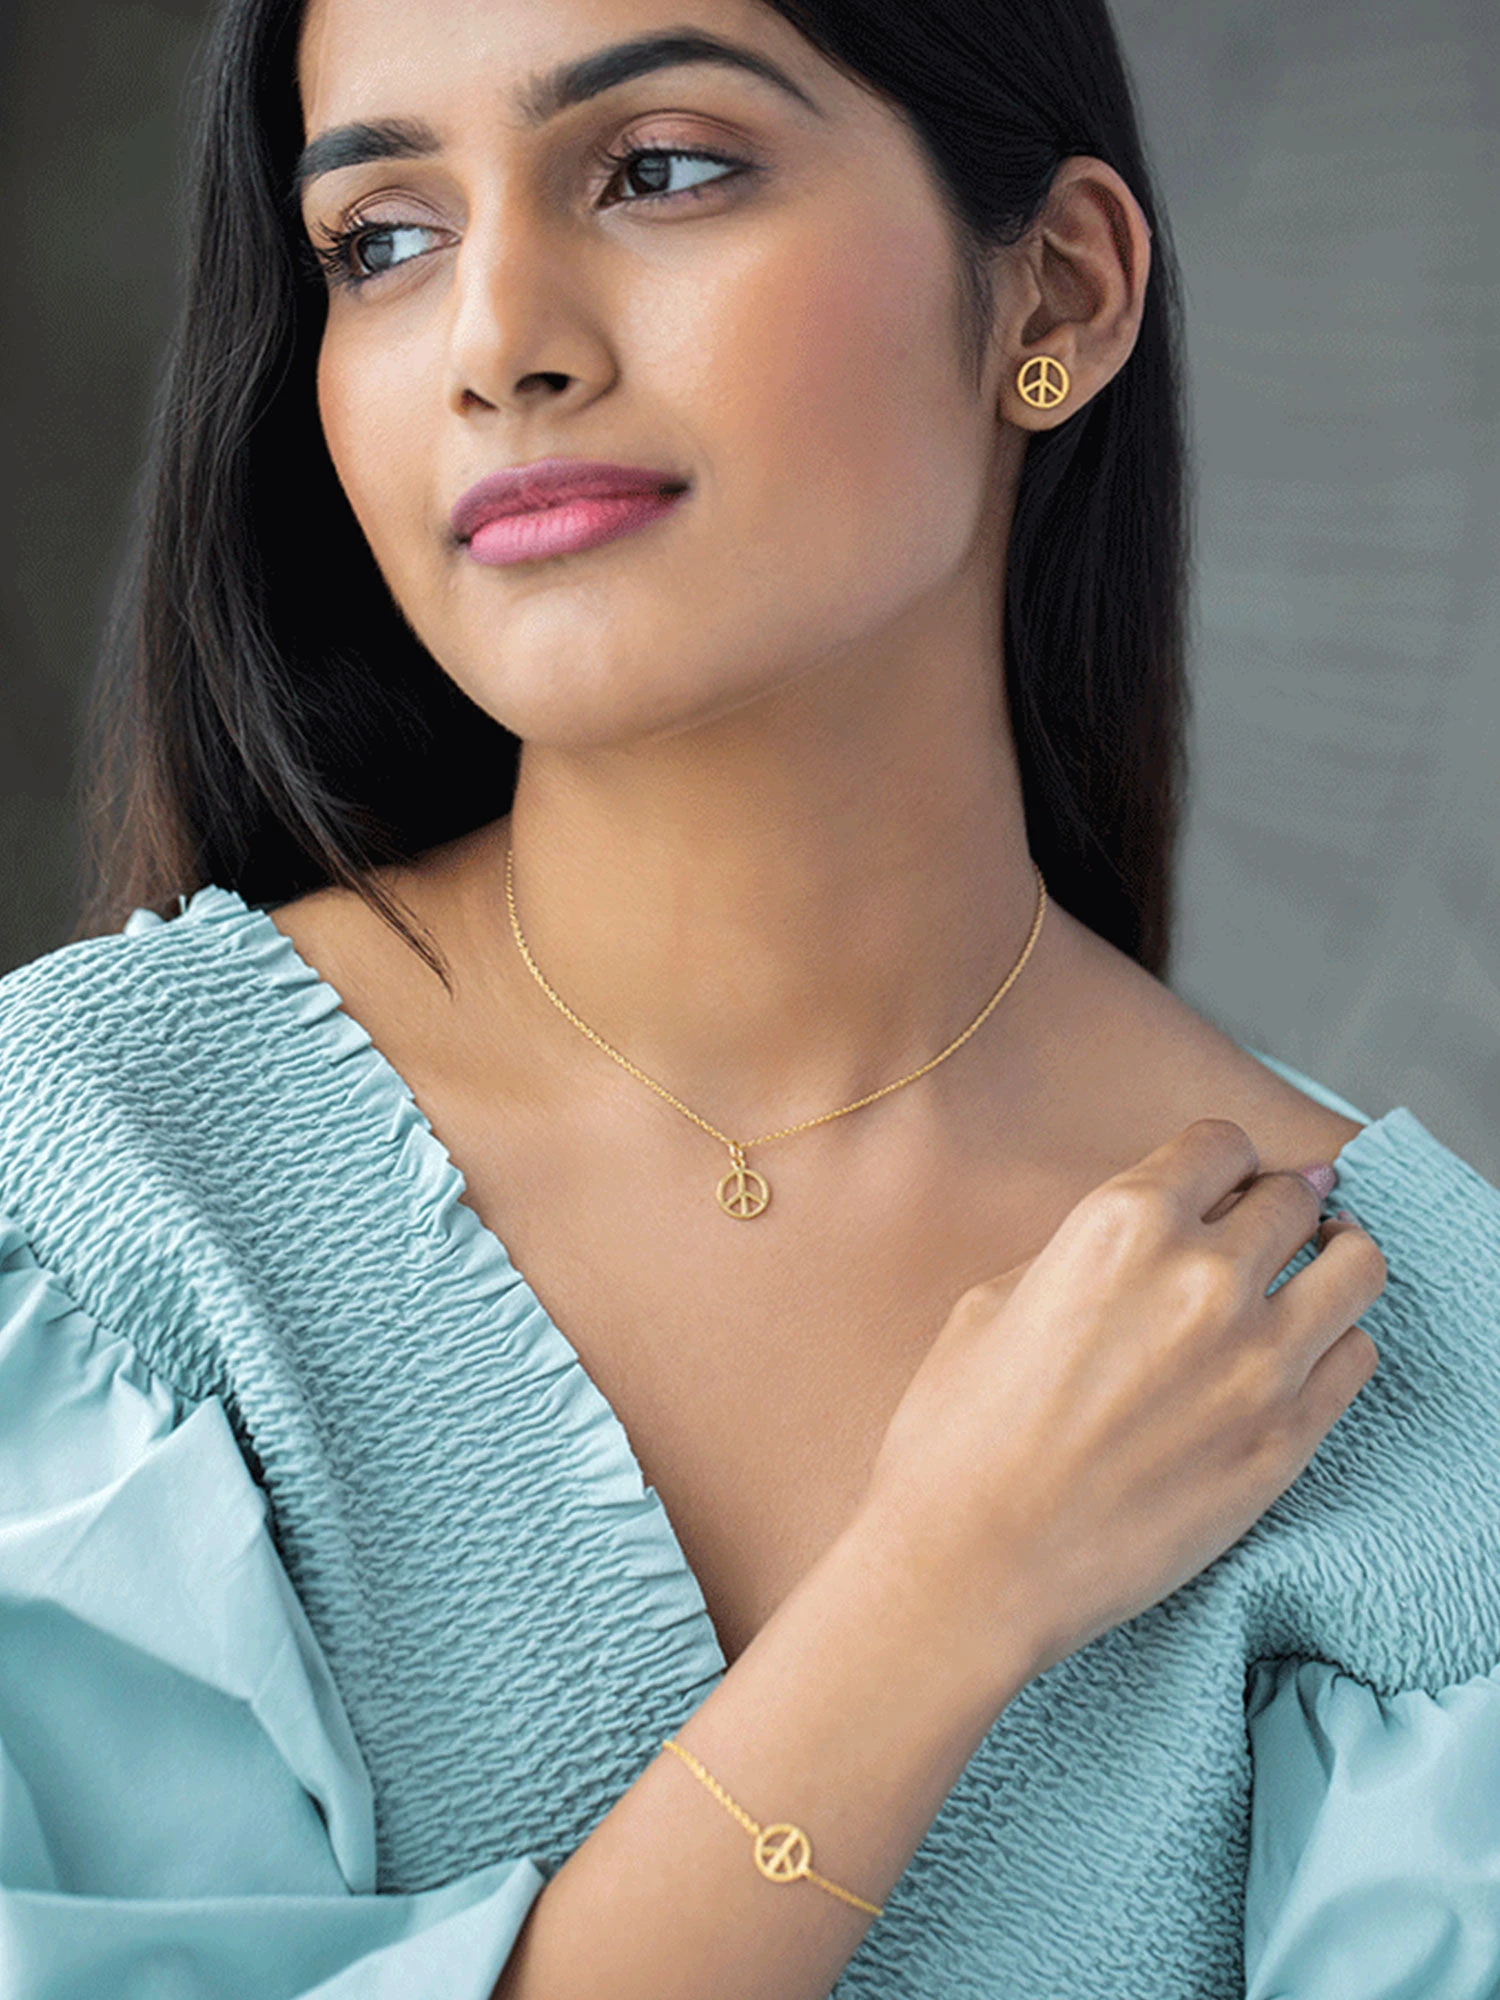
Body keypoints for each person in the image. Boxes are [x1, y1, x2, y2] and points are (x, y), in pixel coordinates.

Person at [1, 0, 1498, 1993]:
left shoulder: (1409, 1385)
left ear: (1059, 289)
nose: (497, 340)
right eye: (385, 238)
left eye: (662, 169)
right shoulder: (95, 1199)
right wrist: (945, 1591)